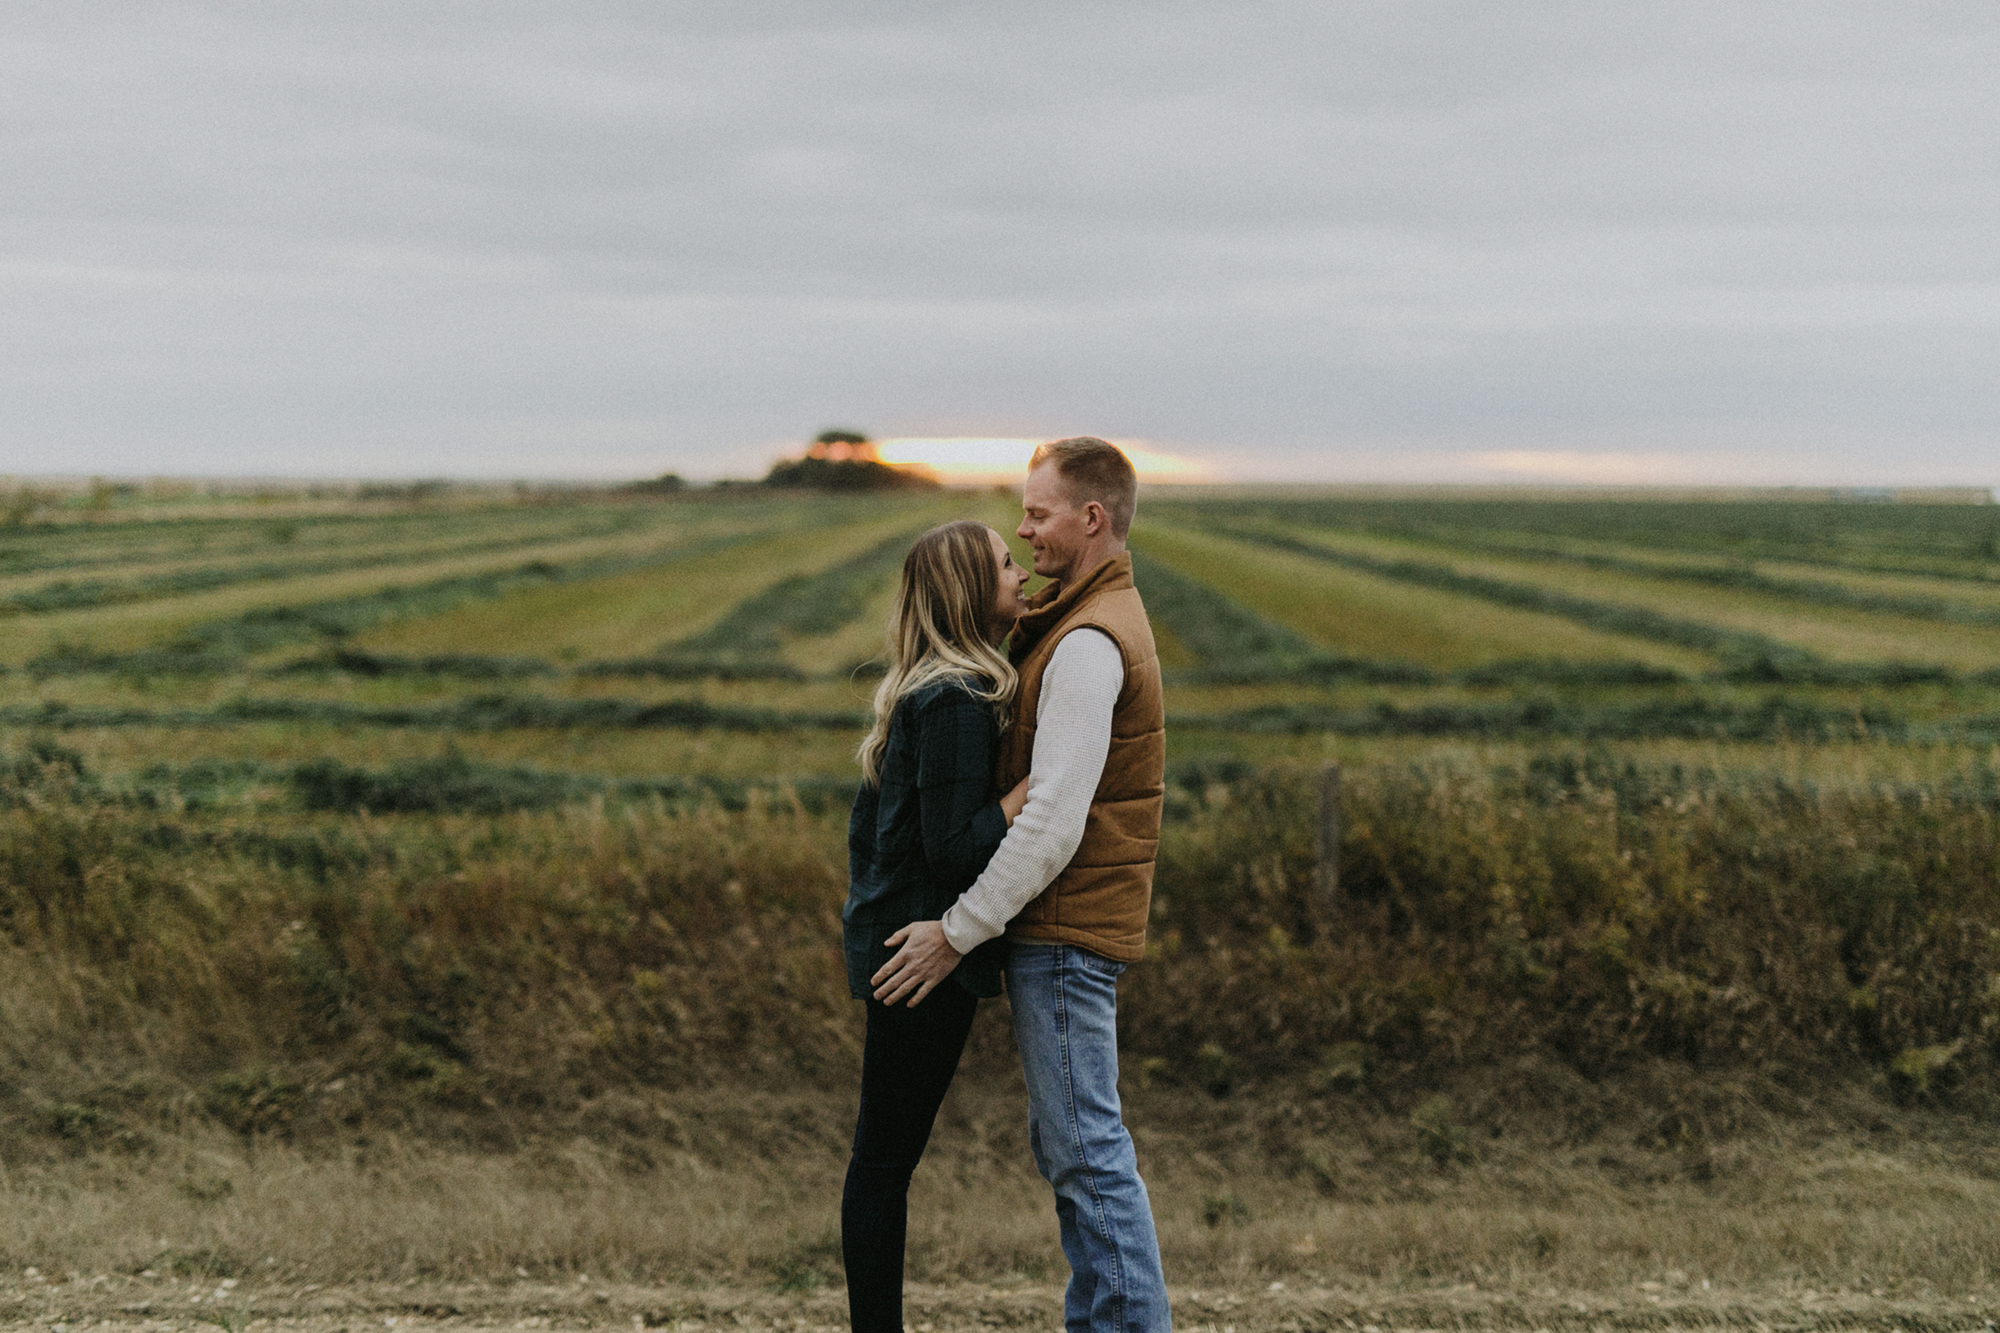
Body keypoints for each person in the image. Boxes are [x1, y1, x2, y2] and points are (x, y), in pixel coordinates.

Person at [871, 438, 1171, 1333]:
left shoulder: (1086, 645)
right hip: (1060, 927)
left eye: (1036, 513)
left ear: (1090, 518)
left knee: (1085, 1152)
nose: (1023, 527)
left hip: (1066, 929)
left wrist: (956, 930)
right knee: (1073, 1146)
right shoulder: (1084, 620)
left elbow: (1050, 819)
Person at [840, 519, 1033, 1333]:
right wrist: (1037, 794)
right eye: (1004, 563)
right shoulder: (956, 700)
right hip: (921, 954)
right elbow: (955, 847)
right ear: (966, 590)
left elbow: (877, 832)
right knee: (883, 1162)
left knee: (883, 1158)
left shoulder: (928, 687)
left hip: (897, 940)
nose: (1020, 572)